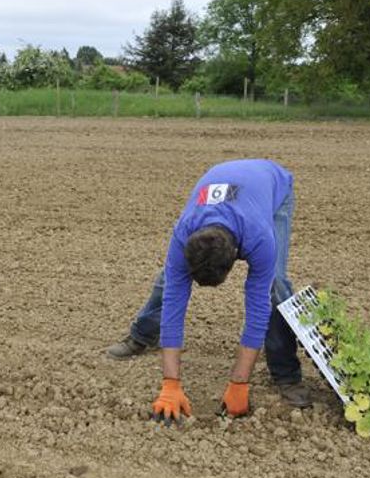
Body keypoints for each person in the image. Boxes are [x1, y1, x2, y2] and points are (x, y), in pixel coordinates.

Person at [104, 159, 310, 420]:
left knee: (275, 284)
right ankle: (142, 335)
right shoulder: (183, 233)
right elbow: (174, 304)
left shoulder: (259, 238)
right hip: (226, 179)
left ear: (237, 255)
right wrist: (170, 384)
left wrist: (239, 382)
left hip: (272, 186)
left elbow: (257, 311)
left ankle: (286, 374)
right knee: (169, 280)